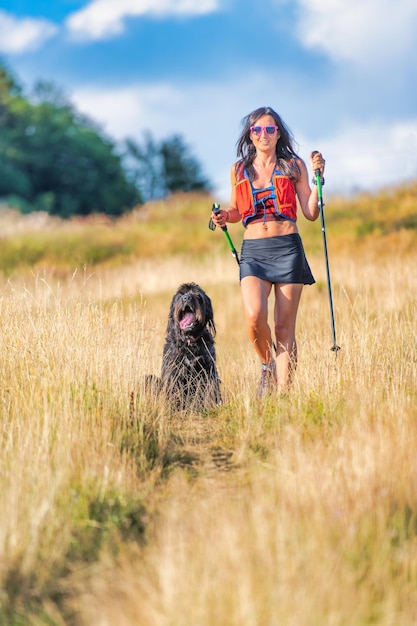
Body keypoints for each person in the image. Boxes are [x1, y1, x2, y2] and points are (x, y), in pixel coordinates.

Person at [211, 106, 325, 398]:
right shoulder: (238, 170)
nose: (264, 134)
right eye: (257, 130)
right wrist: (225, 215)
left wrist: (318, 181)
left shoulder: (293, 165)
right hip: (254, 252)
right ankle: (266, 367)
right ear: (250, 135)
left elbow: (310, 213)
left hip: (287, 249)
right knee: (254, 316)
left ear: (278, 134)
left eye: (270, 129)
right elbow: (237, 210)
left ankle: (284, 398)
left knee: (284, 327)